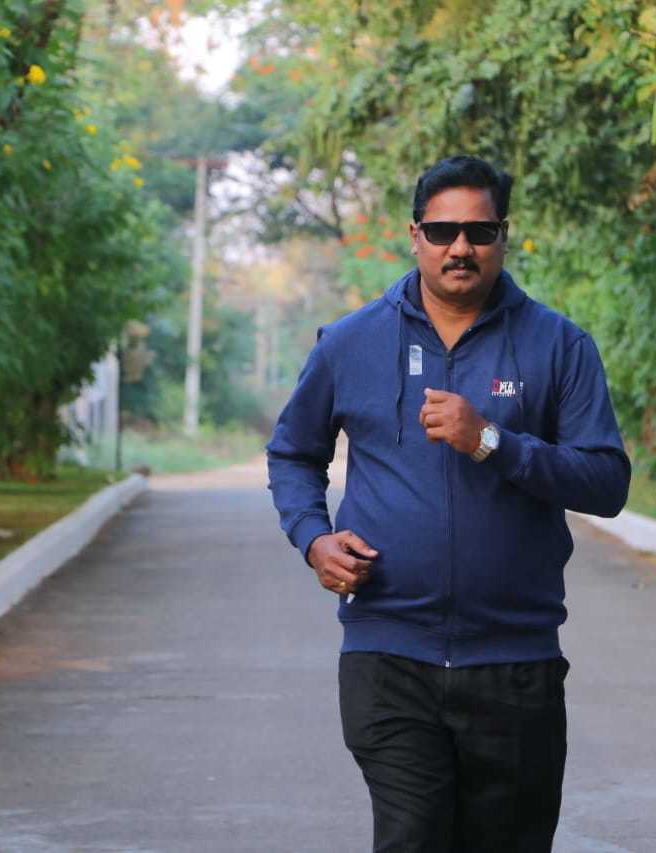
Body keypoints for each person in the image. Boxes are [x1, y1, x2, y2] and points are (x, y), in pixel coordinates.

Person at [265, 155, 631, 852]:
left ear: (503, 236)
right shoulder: (351, 343)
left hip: (514, 664)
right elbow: (292, 453)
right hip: (388, 655)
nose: (460, 247)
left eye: (479, 231)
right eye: (442, 231)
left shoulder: (559, 345)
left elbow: (606, 482)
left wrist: (492, 440)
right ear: (415, 236)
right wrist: (314, 538)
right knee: (412, 837)